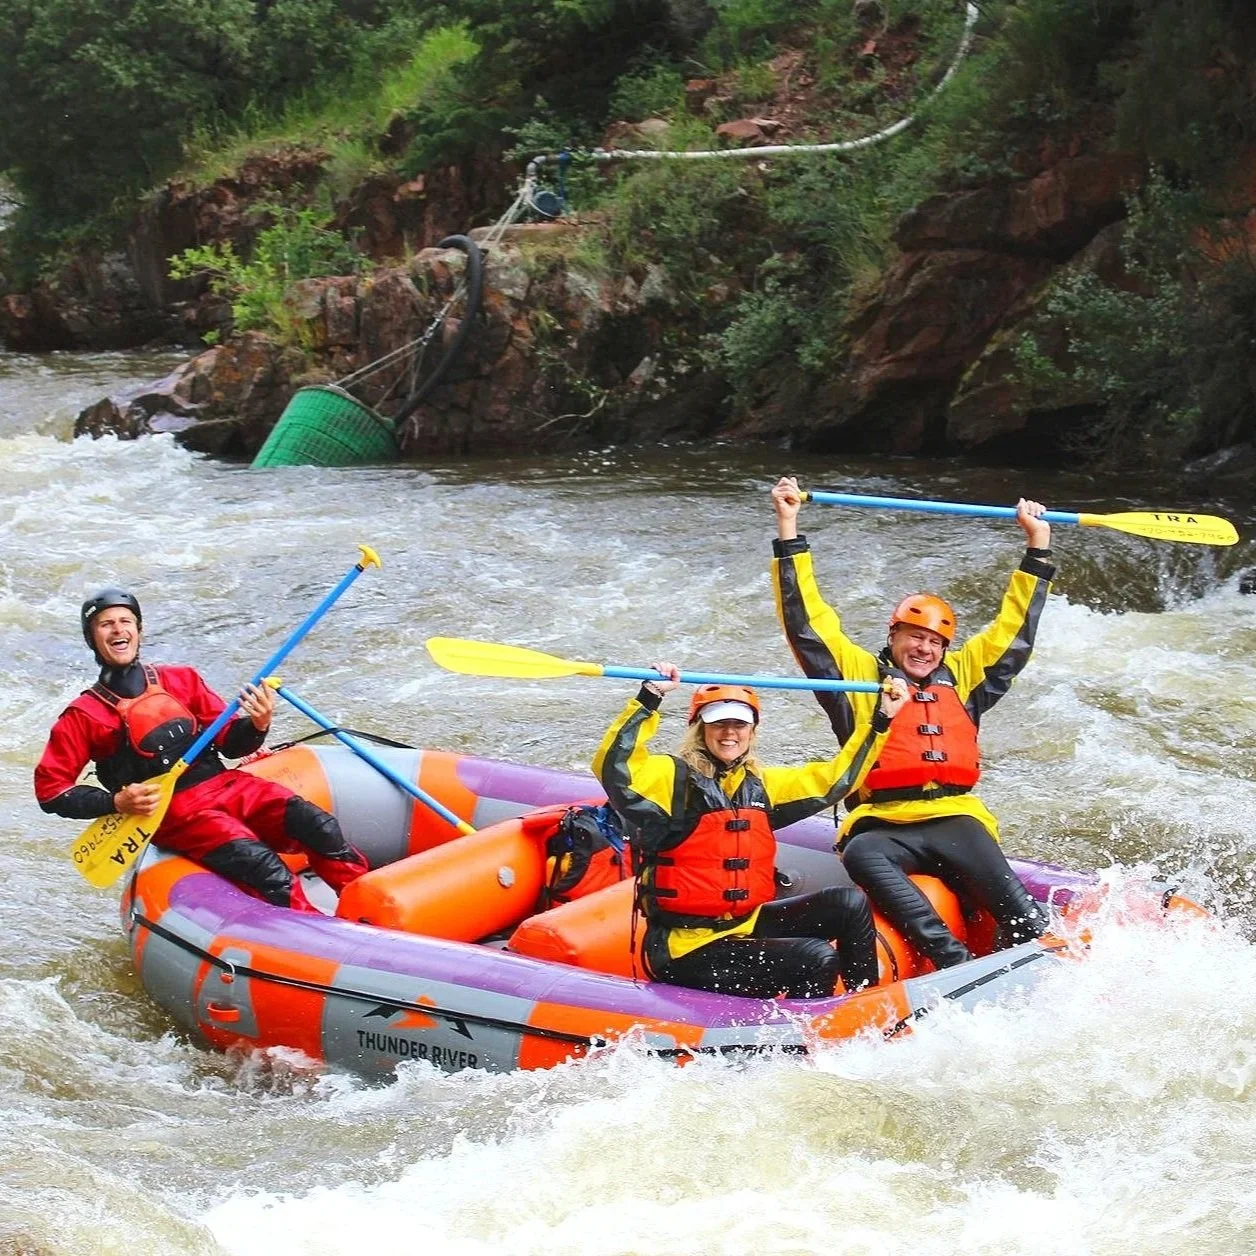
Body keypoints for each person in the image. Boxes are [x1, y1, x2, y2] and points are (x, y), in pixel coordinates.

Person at [770, 475, 1053, 969]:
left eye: (934, 642)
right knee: (861, 856)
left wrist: (1037, 546)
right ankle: (953, 961)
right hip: (882, 824)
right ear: (894, 636)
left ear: (945, 650)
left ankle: (1033, 962)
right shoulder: (856, 679)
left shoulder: (965, 680)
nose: (923, 648)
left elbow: (1014, 631)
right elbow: (808, 623)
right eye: (913, 637)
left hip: (956, 821)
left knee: (1024, 918)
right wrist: (789, 527)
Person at [35, 587, 368, 913]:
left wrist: (257, 724)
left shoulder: (182, 679)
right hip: (174, 814)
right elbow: (50, 791)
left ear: (139, 629)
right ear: (91, 637)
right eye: (106, 624)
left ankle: (366, 912)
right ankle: (318, 942)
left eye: (126, 621)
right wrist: (115, 801)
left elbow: (230, 742)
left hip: (228, 786)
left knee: (318, 825)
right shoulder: (83, 715)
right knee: (264, 867)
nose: (118, 630)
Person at [593, 664, 909, 998]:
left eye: (739, 724)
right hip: (684, 950)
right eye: (718, 723)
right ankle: (806, 1045)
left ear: (752, 731)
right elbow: (613, 768)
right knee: (816, 958)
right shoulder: (670, 779)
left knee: (847, 904)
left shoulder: (762, 785)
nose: (729, 732)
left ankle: (863, 1009)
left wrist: (880, 722)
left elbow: (836, 779)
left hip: (742, 926)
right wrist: (648, 699)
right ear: (700, 728)